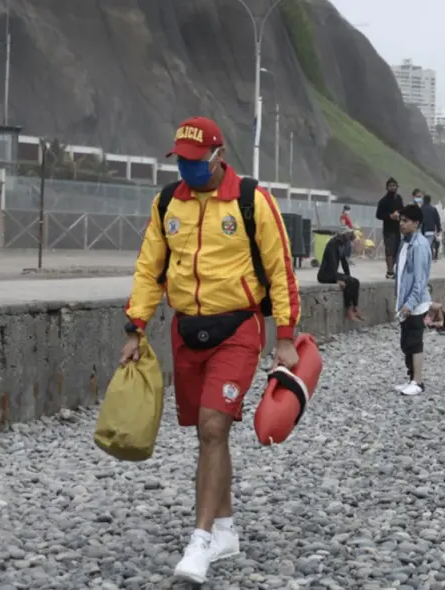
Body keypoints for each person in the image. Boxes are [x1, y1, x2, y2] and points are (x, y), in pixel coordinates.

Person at [120, 116, 301, 585]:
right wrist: (135, 327)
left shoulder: (251, 201)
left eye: (196, 161)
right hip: (187, 331)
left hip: (238, 328)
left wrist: (284, 336)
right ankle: (225, 528)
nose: (188, 168)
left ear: (219, 157)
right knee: (206, 433)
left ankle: (198, 543)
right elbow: (149, 269)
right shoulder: (166, 203)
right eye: (181, 160)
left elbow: (280, 269)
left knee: (213, 425)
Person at [393, 204, 432, 396]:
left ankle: (418, 382)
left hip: (415, 304)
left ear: (416, 223)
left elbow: (420, 280)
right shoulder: (405, 242)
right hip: (405, 302)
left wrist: (409, 304)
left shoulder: (419, 245)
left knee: (415, 342)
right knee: (406, 342)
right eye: (401, 220)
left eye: (405, 221)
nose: (401, 224)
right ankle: (410, 378)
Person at [317, 230, 363, 321]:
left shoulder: (341, 245)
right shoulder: (332, 245)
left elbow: (344, 263)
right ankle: (348, 311)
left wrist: (348, 277)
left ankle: (355, 308)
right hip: (325, 275)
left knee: (355, 281)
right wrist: (336, 280)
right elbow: (332, 264)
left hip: (332, 273)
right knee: (348, 283)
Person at [375, 177, 404, 279]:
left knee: (397, 250)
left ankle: (396, 270)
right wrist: (390, 216)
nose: (393, 187)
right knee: (389, 250)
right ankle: (390, 272)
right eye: (390, 186)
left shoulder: (399, 198)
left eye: (394, 185)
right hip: (388, 229)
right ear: (387, 187)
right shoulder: (383, 201)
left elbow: (402, 210)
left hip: (397, 229)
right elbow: (378, 215)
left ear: (397, 187)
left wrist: (400, 216)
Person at [418, 194, 442, 261]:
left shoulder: (420, 209)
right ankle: (428, 258)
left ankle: (423, 258)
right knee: (428, 245)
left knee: (422, 245)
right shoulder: (433, 209)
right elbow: (437, 219)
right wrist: (439, 229)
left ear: (423, 200)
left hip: (421, 230)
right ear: (430, 200)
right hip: (430, 230)